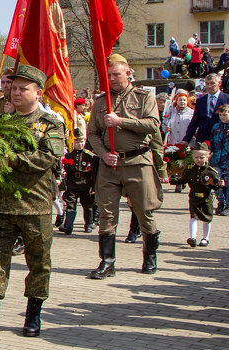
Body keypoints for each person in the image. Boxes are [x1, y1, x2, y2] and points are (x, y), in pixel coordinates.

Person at [0, 64, 64, 338]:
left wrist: (9, 159)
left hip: (35, 204)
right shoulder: (1, 123)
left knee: (39, 262)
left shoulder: (50, 124)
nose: (15, 93)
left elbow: (47, 157)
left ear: (38, 93)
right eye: (13, 88)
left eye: (22, 89)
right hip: (2, 204)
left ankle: (33, 315)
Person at [87, 54, 164, 279]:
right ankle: (107, 262)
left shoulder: (144, 97)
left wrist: (121, 121)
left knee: (144, 211)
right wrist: (102, 153)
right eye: (109, 75)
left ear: (128, 73)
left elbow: (153, 124)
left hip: (137, 162)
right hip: (110, 165)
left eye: (116, 74)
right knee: (106, 213)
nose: (112, 78)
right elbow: (92, 132)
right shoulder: (102, 101)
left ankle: (150, 257)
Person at [58, 135, 98, 234]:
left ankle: (88, 224)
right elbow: (67, 168)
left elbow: (94, 171)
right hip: (73, 183)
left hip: (85, 183)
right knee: (70, 204)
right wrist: (65, 173)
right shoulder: (69, 156)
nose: (79, 144)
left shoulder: (90, 156)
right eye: (77, 142)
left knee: (87, 204)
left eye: (81, 142)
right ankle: (68, 226)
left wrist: (94, 186)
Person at [184, 146, 222, 247]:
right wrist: (174, 181)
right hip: (193, 197)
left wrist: (218, 184)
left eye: (201, 157)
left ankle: (205, 238)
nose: (199, 160)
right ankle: (192, 238)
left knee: (207, 217)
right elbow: (184, 179)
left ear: (207, 157)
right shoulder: (190, 169)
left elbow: (215, 186)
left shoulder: (210, 171)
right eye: (196, 157)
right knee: (193, 216)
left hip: (206, 198)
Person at [184, 75, 229, 145]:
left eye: (212, 83)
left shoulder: (227, 99)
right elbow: (194, 122)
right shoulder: (200, 101)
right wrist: (186, 139)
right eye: (207, 83)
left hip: (222, 140)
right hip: (203, 140)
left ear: (219, 83)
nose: (209, 86)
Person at [209, 104, 229, 216]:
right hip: (217, 159)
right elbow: (212, 142)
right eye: (221, 115)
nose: (223, 117)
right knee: (215, 181)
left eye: (225, 114)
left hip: (228, 159)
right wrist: (210, 150)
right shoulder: (216, 127)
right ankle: (220, 202)